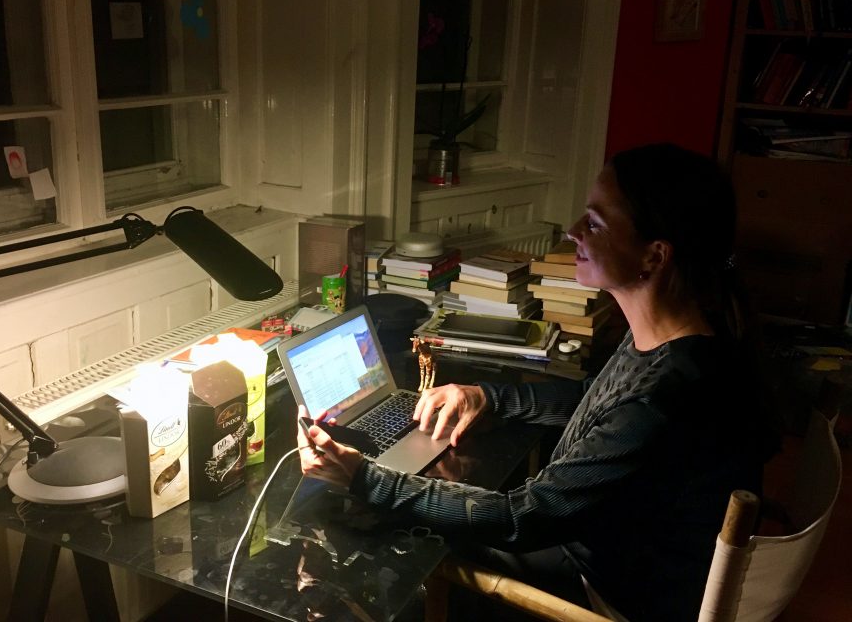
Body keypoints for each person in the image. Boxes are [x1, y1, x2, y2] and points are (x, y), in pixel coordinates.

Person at [297, 143, 779, 621]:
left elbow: (521, 518)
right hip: (607, 553)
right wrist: (486, 397)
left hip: (609, 595)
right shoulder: (682, 341)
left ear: (654, 256)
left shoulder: (671, 393)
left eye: (594, 223)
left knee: (386, 555)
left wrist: (363, 478)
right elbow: (594, 400)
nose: (573, 232)